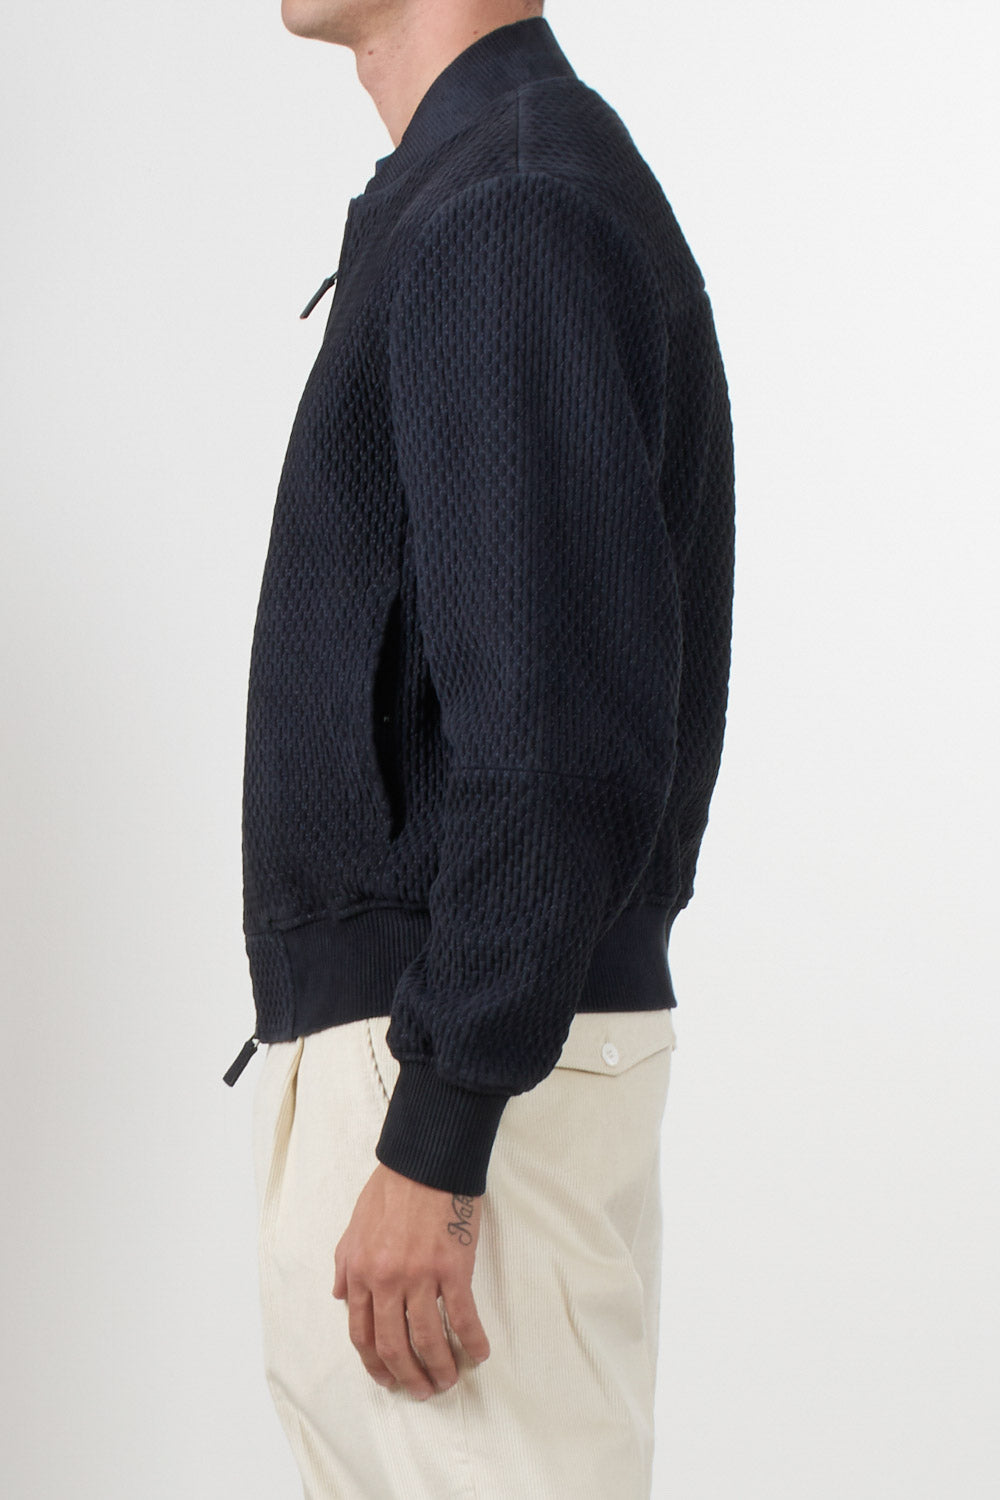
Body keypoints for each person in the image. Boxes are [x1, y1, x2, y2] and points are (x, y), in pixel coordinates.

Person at [224, 3, 735, 1495]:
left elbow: (558, 729)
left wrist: (438, 1134)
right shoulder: (476, 190)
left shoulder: (508, 205)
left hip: (455, 1074)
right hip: (442, 1048)